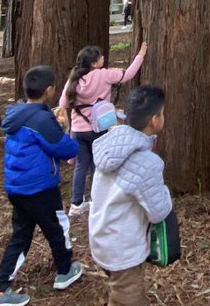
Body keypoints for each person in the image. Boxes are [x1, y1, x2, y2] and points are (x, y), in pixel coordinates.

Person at [0, 65, 83, 306]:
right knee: (57, 227)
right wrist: (63, 127)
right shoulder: (41, 119)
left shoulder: (17, 113)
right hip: (39, 188)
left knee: (21, 236)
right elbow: (67, 149)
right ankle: (64, 271)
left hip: (17, 188)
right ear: (49, 90)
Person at [89, 85, 172, 306]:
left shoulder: (110, 143)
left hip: (102, 237)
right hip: (121, 247)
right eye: (163, 113)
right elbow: (158, 212)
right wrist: (165, 193)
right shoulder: (146, 163)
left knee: (131, 293)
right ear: (154, 120)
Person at [60, 41, 147, 218]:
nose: (103, 58)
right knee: (98, 165)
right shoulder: (104, 75)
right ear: (94, 63)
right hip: (99, 128)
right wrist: (141, 54)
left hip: (78, 130)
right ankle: (97, 200)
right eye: (100, 57)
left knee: (81, 165)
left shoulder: (74, 78)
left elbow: (63, 104)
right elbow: (128, 74)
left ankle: (76, 203)